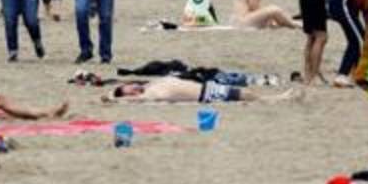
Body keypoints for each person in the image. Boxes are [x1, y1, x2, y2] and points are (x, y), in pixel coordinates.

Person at [104, 77, 301, 104]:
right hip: (204, 94)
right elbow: (127, 100)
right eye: (128, 88)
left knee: (243, 91)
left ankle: (274, 98)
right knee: (244, 94)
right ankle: (276, 99)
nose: (133, 86)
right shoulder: (148, 95)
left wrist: (116, 90)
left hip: (205, 88)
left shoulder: (149, 85)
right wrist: (113, 98)